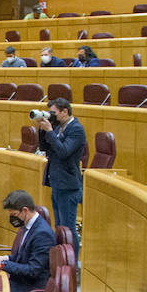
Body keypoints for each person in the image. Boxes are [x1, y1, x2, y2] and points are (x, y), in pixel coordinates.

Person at [0, 190, 56, 292]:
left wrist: (2, 264)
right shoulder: (29, 226)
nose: (12, 219)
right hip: (21, 281)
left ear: (25, 210)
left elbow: (33, 270)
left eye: (14, 215)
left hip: (30, 288)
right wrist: (1, 258)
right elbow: (22, 257)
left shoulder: (42, 234)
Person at [37, 97, 85, 243]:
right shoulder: (58, 127)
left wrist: (50, 132)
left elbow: (64, 152)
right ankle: (62, 261)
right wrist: (42, 130)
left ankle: (72, 263)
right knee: (59, 228)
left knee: (68, 229)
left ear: (65, 111)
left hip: (68, 186)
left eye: (53, 113)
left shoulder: (76, 129)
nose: (52, 116)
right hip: (57, 183)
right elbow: (45, 148)